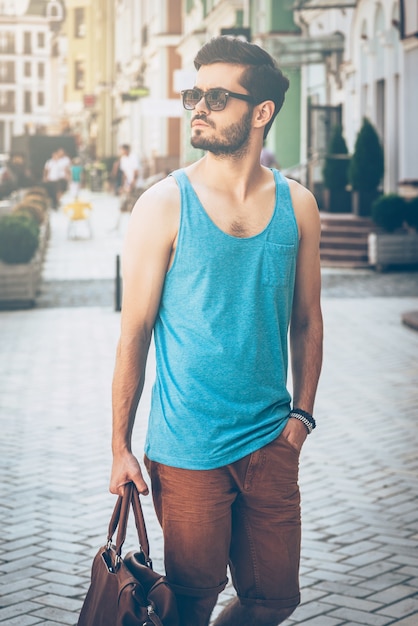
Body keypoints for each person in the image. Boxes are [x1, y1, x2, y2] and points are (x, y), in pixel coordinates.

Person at [110, 35, 323, 626]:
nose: (198, 107)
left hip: (271, 443)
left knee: (274, 601)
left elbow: (307, 320)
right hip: (188, 448)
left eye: (217, 96)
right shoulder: (163, 204)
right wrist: (119, 448)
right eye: (193, 94)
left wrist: (300, 419)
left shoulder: (298, 205)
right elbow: (134, 334)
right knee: (191, 601)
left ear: (261, 113)